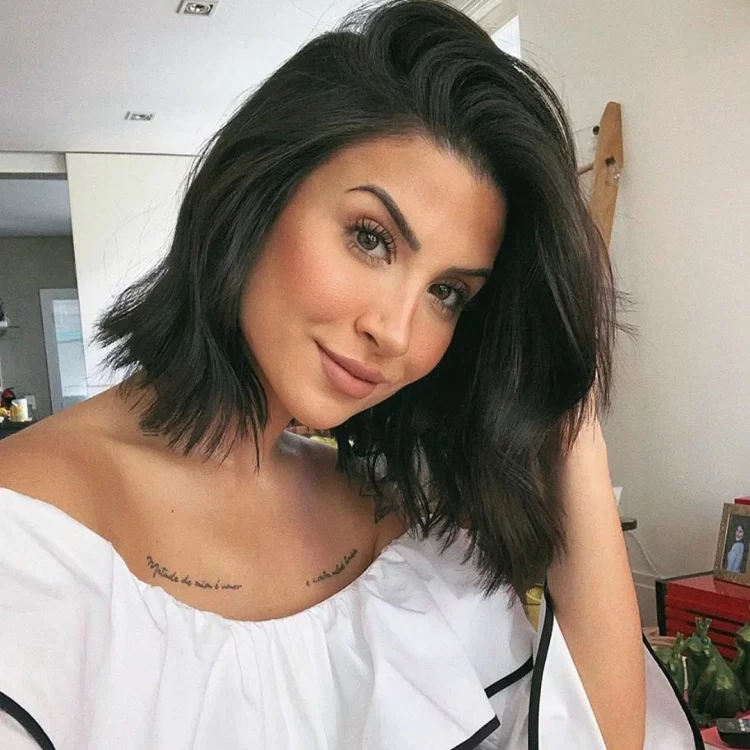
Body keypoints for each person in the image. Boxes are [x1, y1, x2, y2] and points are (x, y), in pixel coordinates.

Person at [0, 2, 701, 748]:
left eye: (448, 293)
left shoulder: (394, 529)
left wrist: (570, 408)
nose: (396, 332)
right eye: (371, 238)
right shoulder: (27, 538)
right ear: (257, 191)